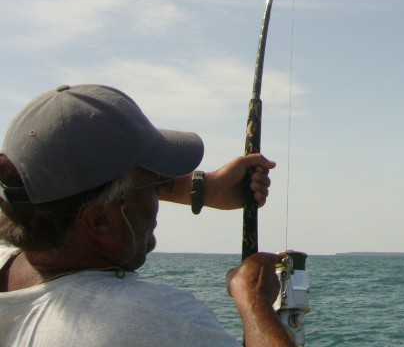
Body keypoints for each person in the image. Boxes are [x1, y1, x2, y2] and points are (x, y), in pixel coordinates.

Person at [0, 84, 295, 346]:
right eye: (153, 184)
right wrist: (254, 302)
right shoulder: (159, 324)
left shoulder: (14, 247)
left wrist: (202, 189)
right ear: (101, 221)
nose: (159, 197)